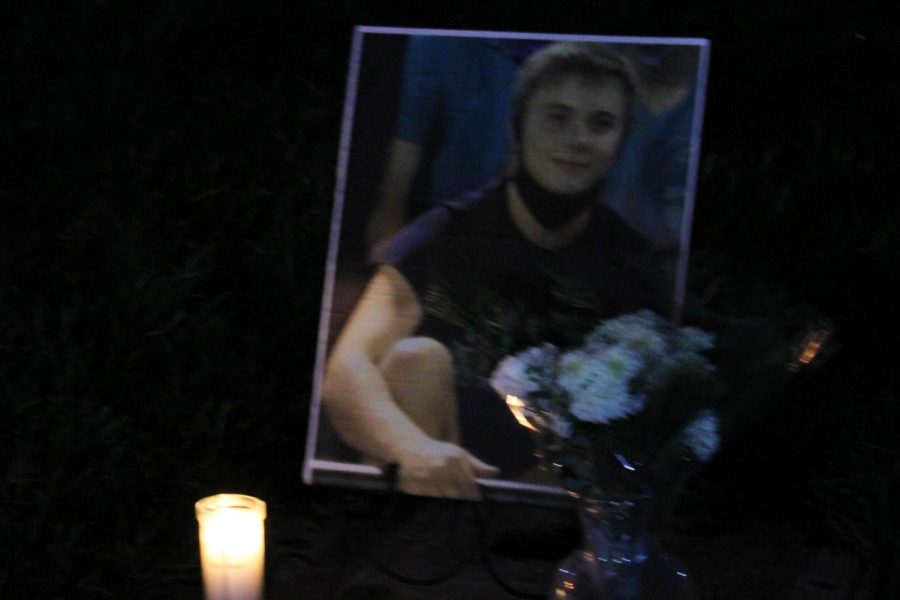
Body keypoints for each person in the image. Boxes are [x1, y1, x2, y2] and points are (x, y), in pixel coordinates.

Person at [324, 42, 676, 501]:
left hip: (569, 503)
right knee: (414, 357)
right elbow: (346, 367)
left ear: (618, 145)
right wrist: (414, 449)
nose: (579, 138)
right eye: (558, 116)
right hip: (449, 483)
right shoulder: (448, 232)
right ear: (517, 130)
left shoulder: (633, 260)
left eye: (601, 123)